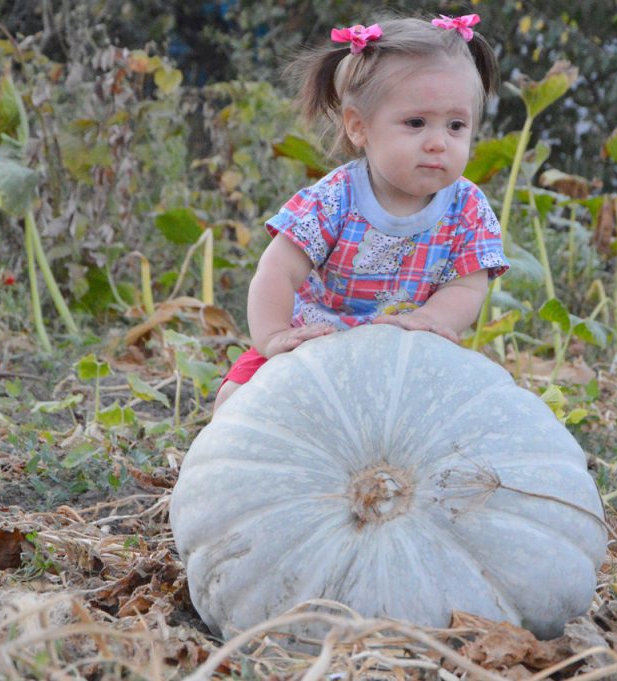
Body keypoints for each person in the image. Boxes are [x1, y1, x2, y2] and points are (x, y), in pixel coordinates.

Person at [213, 13, 509, 413]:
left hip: (406, 355)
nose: (438, 142)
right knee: (235, 401)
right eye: (416, 122)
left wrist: (429, 319)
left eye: (456, 125)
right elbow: (277, 270)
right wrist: (274, 337)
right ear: (359, 127)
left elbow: (467, 287)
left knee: (476, 413)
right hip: (313, 344)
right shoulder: (335, 198)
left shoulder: (468, 209)